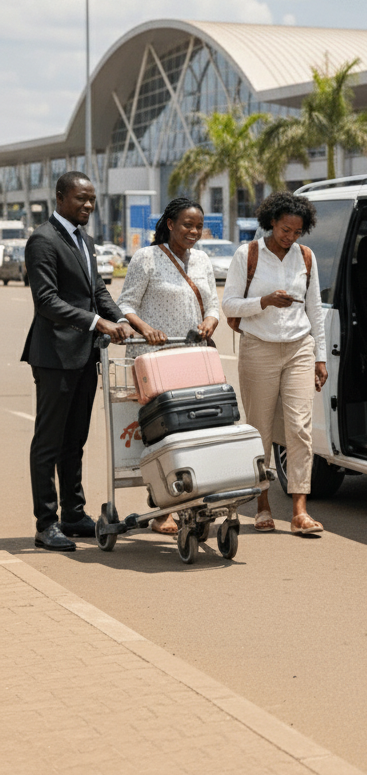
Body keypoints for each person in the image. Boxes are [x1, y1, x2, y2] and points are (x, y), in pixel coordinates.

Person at [21, 172, 133, 551]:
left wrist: (118, 319)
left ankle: (73, 514)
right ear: (60, 197)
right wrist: (95, 321)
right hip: (54, 356)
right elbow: (47, 300)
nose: (87, 205)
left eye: (92, 200)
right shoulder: (43, 239)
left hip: (86, 357)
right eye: (80, 199)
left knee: (75, 442)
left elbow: (96, 290)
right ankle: (46, 523)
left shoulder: (85, 240)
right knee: (48, 443)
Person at [223, 192, 328, 536]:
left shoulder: (307, 258)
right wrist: (264, 301)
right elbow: (231, 305)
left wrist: (320, 357)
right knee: (260, 429)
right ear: (271, 222)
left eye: (297, 232)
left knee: (299, 427)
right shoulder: (248, 254)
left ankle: (299, 511)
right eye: (285, 229)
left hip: (299, 347)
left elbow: (315, 311)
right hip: (259, 348)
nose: (291, 237)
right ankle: (262, 504)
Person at [118, 196, 220, 534]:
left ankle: (191, 502)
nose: (193, 231)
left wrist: (209, 323)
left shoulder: (203, 260)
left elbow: (214, 305)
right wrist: (146, 329)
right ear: (171, 224)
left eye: (198, 226)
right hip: (155, 361)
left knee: (194, 430)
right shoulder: (147, 258)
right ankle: (162, 508)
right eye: (187, 224)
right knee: (161, 433)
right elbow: (126, 305)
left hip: (192, 358)